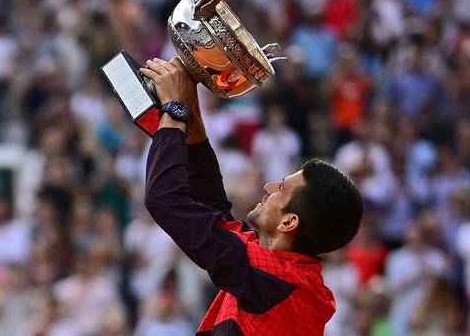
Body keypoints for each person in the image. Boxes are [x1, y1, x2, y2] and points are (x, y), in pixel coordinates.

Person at [140, 57, 364, 336]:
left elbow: (165, 200)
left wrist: (174, 111)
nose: (269, 186)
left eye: (281, 188)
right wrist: (188, 103)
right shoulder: (284, 276)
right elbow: (214, 207)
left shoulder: (273, 278)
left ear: (288, 222)